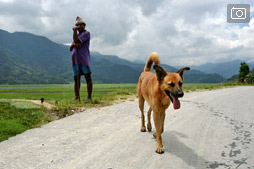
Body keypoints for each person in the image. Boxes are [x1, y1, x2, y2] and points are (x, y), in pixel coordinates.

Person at [70, 16, 93, 103]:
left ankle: (89, 97)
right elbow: (71, 47)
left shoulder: (86, 33)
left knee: (88, 77)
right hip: (75, 60)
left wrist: (75, 32)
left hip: (84, 59)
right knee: (76, 79)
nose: (79, 26)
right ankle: (76, 96)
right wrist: (73, 44)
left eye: (80, 25)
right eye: (77, 25)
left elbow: (77, 41)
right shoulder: (76, 35)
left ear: (84, 25)